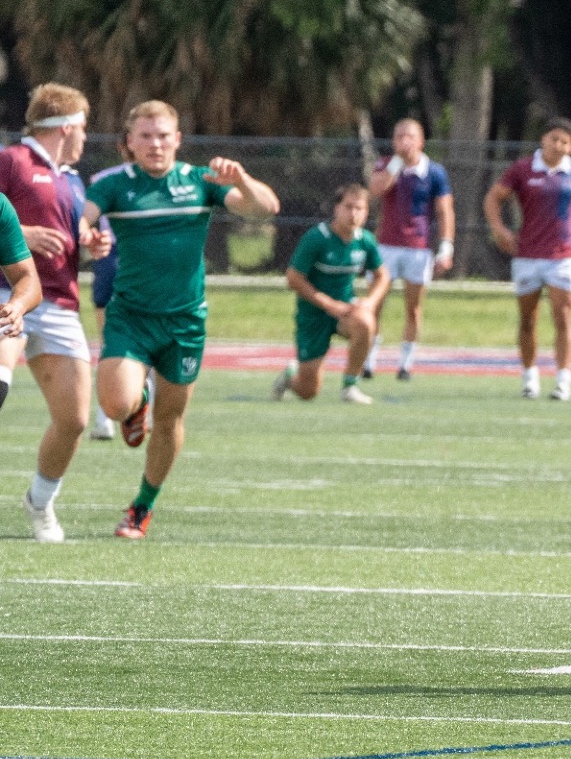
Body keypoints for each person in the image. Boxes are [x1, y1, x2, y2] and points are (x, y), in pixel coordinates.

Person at [87, 100, 280, 539]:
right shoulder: (115, 185)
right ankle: (137, 405)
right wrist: (88, 238)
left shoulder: (199, 181)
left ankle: (142, 507)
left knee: (172, 420)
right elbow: (83, 221)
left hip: (185, 323)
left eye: (163, 136)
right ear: (129, 143)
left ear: (177, 140)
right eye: (145, 136)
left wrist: (242, 180)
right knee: (115, 405)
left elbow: (265, 208)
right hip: (131, 317)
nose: (155, 144)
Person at [0, 84, 112, 543]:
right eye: (84, 127)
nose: (86, 137)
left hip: (60, 300)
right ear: (67, 127)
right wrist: (24, 231)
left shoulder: (72, 178)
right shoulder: (11, 161)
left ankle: (40, 502)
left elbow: (73, 231)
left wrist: (91, 241)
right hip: (7, 292)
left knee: (75, 420)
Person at [484, 117, 571, 401]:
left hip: (563, 256)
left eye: (565, 141)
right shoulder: (523, 169)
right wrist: (500, 230)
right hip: (527, 254)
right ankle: (530, 377)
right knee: (528, 318)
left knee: (563, 316)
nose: (559, 145)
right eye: (554, 139)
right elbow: (493, 198)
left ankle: (563, 380)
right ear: (543, 140)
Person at [272, 184, 389, 404]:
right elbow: (293, 278)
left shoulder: (365, 240)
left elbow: (382, 276)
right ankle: (290, 378)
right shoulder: (317, 238)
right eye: (348, 207)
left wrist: (370, 303)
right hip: (313, 314)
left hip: (344, 310)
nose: (353, 214)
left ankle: (350, 386)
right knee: (309, 392)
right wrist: (327, 304)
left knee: (365, 322)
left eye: (359, 208)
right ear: (336, 208)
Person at [364, 118, 453, 381]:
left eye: (410, 136)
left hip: (417, 248)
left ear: (421, 141)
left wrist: (445, 247)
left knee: (413, 307)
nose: (405, 141)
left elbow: (445, 210)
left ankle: (405, 363)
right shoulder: (385, 165)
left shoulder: (434, 172)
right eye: (400, 135)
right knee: (375, 303)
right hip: (385, 247)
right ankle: (368, 361)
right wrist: (396, 162)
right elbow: (376, 190)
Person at [87, 144, 133, 441]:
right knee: (146, 339)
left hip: (116, 259)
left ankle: (107, 419)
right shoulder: (105, 180)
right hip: (117, 257)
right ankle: (137, 411)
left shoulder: (103, 179)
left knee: (110, 341)